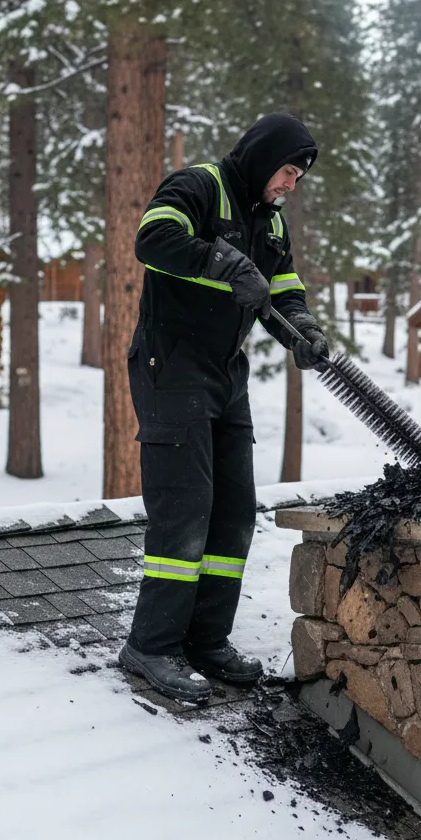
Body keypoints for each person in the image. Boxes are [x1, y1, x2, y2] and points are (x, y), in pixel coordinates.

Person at [119, 112, 329, 701]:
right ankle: (151, 646)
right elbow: (152, 239)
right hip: (171, 364)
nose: (291, 184)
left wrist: (302, 329)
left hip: (225, 372)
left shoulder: (272, 222)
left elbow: (281, 287)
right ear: (265, 159)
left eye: (297, 177)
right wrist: (224, 261)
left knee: (234, 509)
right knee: (186, 508)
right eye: (287, 171)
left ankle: (206, 639)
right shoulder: (198, 186)